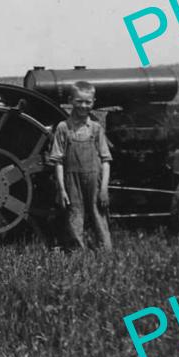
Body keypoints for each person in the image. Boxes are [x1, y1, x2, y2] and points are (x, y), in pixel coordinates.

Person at [49, 80, 113, 250]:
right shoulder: (63, 128)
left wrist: (104, 188)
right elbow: (58, 161)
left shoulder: (96, 128)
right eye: (79, 101)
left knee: (98, 213)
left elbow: (106, 160)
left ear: (93, 102)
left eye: (88, 102)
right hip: (72, 180)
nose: (83, 106)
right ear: (70, 100)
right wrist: (62, 189)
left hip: (94, 179)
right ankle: (77, 251)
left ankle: (105, 250)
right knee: (74, 214)